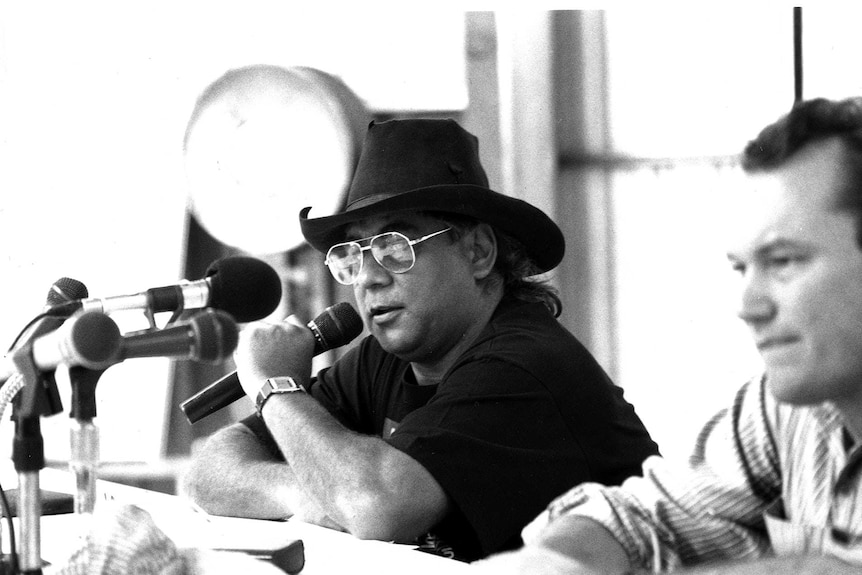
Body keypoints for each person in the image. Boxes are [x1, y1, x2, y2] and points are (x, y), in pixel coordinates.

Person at [181, 118, 659, 562]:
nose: (367, 279)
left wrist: (275, 387)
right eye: (353, 254)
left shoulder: (524, 364)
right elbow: (208, 473)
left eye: (394, 247)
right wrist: (307, 491)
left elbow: (376, 506)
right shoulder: (381, 360)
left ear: (477, 252)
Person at [471, 97, 862, 574]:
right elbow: (644, 518)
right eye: (741, 268)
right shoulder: (786, 410)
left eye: (783, 261)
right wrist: (551, 563)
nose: (748, 306)